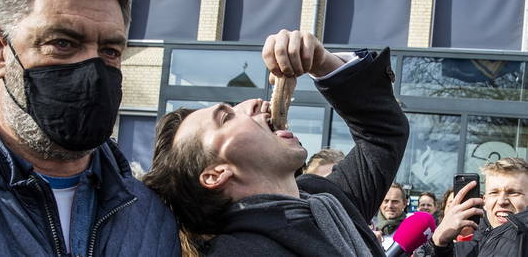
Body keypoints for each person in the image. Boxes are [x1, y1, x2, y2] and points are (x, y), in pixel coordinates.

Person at [0, 0, 180, 256]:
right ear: (0, 50)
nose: (92, 72)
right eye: (63, 43)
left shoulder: (152, 215)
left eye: (110, 50)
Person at [144, 29, 410, 256]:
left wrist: (323, 62)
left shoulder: (328, 198)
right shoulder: (233, 251)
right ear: (215, 174)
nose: (254, 103)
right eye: (226, 117)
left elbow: (383, 134)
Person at [427, 157, 528, 256]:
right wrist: (438, 245)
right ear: (484, 201)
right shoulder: (465, 249)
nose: (501, 201)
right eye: (494, 192)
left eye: (513, 193)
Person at [375, 183, 409, 250]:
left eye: (395, 202)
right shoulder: (367, 225)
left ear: (404, 203)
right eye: (386, 201)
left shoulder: (411, 228)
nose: (390, 206)